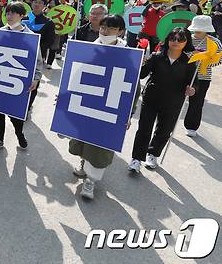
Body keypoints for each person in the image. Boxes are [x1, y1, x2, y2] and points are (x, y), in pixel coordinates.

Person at [69, 15, 136, 199]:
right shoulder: (89, 49)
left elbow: (132, 87)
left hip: (109, 105)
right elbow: (74, 74)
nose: (105, 31)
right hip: (87, 100)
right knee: (83, 138)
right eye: (103, 27)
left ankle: (91, 181)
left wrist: (128, 113)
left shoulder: (128, 55)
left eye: (111, 28)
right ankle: (83, 163)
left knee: (100, 145)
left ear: (121, 31)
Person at [0, 2, 42, 151]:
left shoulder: (30, 37)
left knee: (15, 114)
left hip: (17, 80)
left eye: (13, 13)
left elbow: (38, 62)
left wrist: (36, 79)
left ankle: (19, 134)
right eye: (7, 13)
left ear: (22, 15)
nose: (9, 16)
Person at [128, 27, 197, 173]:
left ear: (186, 42)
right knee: (144, 129)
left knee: (164, 131)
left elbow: (193, 82)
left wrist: (192, 90)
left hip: (173, 102)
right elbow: (141, 75)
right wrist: (141, 62)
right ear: (168, 39)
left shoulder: (190, 62)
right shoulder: (156, 56)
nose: (176, 42)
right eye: (173, 38)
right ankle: (136, 159)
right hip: (151, 98)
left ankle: (152, 154)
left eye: (180, 39)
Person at [183, 16, 222, 137]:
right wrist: (191, 55)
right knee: (176, 100)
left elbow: (219, 59)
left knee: (197, 102)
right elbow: (180, 53)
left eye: (199, 30)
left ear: (207, 30)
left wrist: (206, 61)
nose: (196, 32)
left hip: (203, 76)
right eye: (195, 30)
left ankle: (191, 126)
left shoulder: (215, 42)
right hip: (184, 74)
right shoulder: (186, 39)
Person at [22, 0, 54, 107]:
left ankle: (28, 105)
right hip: (21, 54)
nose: (37, 4)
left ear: (44, 6)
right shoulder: (23, 19)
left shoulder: (48, 22)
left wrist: (40, 52)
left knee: (34, 80)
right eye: (35, 2)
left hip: (37, 55)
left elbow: (49, 41)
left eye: (40, 3)